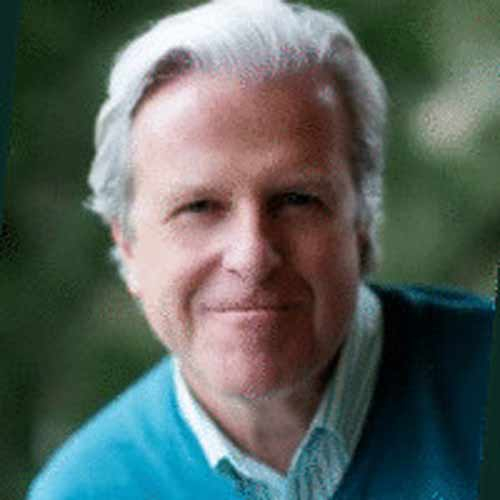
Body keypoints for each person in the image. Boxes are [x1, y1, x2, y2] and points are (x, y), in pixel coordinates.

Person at [27, 1, 494, 499]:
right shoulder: (85, 490)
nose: (251, 256)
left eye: (296, 200)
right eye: (199, 207)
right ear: (129, 246)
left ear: (361, 222)